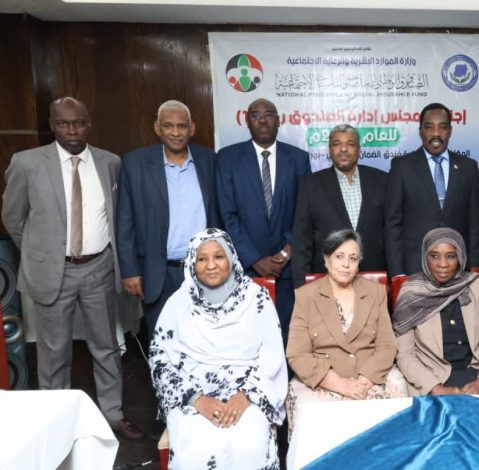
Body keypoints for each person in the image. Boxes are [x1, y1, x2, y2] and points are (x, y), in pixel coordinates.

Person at [2, 97, 142, 439]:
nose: (72, 131)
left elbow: (117, 215)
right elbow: (13, 218)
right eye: (64, 124)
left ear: (89, 124)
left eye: (79, 123)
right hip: (54, 271)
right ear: (52, 125)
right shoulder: (27, 163)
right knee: (54, 352)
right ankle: (57, 422)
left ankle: (113, 414)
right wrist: (41, 253)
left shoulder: (110, 162)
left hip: (98, 268)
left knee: (106, 346)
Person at [149, 228, 287, 469]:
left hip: (248, 392)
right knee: (194, 449)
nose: (211, 265)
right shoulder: (178, 303)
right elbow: (160, 360)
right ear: (192, 264)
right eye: (202, 259)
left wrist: (246, 395)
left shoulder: (256, 298)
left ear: (231, 258)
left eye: (219, 257)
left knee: (251, 444)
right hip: (192, 396)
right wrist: (196, 399)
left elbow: (272, 357)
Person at [117, 100, 220, 352]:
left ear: (192, 128)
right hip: (158, 272)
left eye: (182, 126)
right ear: (157, 128)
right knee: (163, 344)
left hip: (204, 269)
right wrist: (130, 271)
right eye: (168, 126)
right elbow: (125, 220)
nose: (176, 132)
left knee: (206, 342)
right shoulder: (135, 163)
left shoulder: (210, 160)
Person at [286, 229, 407, 434]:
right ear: (326, 260)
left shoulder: (375, 292)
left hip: (369, 377)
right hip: (325, 380)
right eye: (339, 256)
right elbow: (297, 354)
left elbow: (387, 346)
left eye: (353, 258)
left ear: (358, 263)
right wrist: (339, 384)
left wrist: (364, 381)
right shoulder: (306, 296)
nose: (346, 264)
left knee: (396, 398)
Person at [216, 98, 311, 342]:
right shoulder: (227, 158)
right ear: (246, 121)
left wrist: (286, 253)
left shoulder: (298, 158)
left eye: (268, 115)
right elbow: (227, 213)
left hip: (287, 270)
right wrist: (254, 258)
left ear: (279, 121)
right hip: (246, 269)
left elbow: (305, 212)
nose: (262, 120)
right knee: (247, 337)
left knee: (286, 336)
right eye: (255, 115)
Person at [394, 228, 479, 395]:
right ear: (425, 257)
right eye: (434, 256)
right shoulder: (411, 293)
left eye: (450, 256)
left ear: (460, 257)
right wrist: (436, 389)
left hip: (476, 375)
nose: (442, 264)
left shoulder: (476, 285)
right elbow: (405, 355)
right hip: (430, 379)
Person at [385, 102, 479, 277]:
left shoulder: (468, 167)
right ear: (420, 131)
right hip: (414, 268)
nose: (436, 133)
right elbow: (393, 226)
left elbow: (475, 225)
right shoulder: (402, 167)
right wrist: (397, 273)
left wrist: (475, 271)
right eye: (429, 127)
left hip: (458, 268)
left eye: (442, 127)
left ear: (450, 131)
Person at [292, 124, 387, 287]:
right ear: (329, 150)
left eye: (350, 144)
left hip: (374, 280)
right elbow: (302, 241)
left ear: (359, 150)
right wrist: (301, 289)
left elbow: (391, 233)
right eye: (337, 144)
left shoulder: (382, 181)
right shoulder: (311, 185)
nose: (343, 149)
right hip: (326, 281)